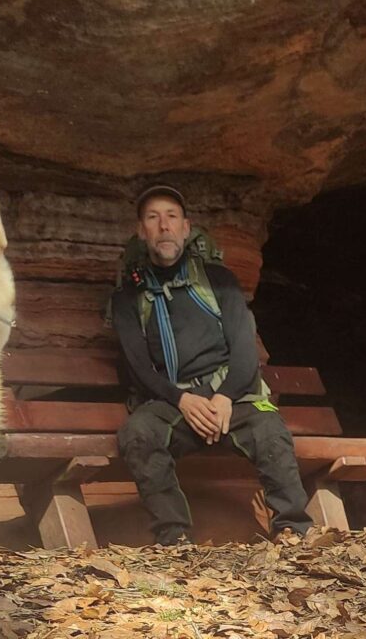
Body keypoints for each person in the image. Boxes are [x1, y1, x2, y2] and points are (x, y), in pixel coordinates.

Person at [111, 184, 313, 545]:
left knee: (269, 429)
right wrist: (182, 400)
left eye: (172, 217)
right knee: (138, 433)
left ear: (186, 228)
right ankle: (173, 538)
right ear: (141, 231)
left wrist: (223, 398)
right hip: (174, 403)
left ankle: (291, 529)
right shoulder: (128, 296)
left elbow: (244, 352)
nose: (164, 226)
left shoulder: (219, 281)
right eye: (153, 218)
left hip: (228, 398)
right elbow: (138, 367)